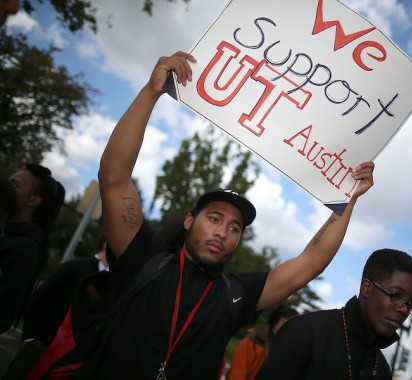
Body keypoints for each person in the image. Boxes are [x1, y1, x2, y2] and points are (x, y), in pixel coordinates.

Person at [30, 51, 375, 379]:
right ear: (188, 221)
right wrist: (151, 92)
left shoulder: (237, 296)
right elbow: (114, 177)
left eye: (235, 227)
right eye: (214, 218)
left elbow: (311, 261)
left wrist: (349, 198)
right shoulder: (144, 258)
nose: (223, 231)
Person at [256, 248, 412, 379]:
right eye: (396, 295)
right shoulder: (305, 332)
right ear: (366, 288)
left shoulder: (381, 369)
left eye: (411, 303)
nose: (404, 309)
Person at [0, 239, 109, 380]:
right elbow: (40, 298)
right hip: (41, 346)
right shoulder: (75, 268)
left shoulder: (111, 282)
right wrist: (31, 338)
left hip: (67, 359)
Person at [0, 164, 65, 334]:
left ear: (33, 200)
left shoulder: (24, 249)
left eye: (15, 185)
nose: (7, 187)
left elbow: (3, 316)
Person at [227, 305, 298, 380]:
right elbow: (236, 375)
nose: (286, 328)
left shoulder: (289, 354)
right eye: (284, 321)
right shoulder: (252, 343)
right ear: (275, 320)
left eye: (292, 326)